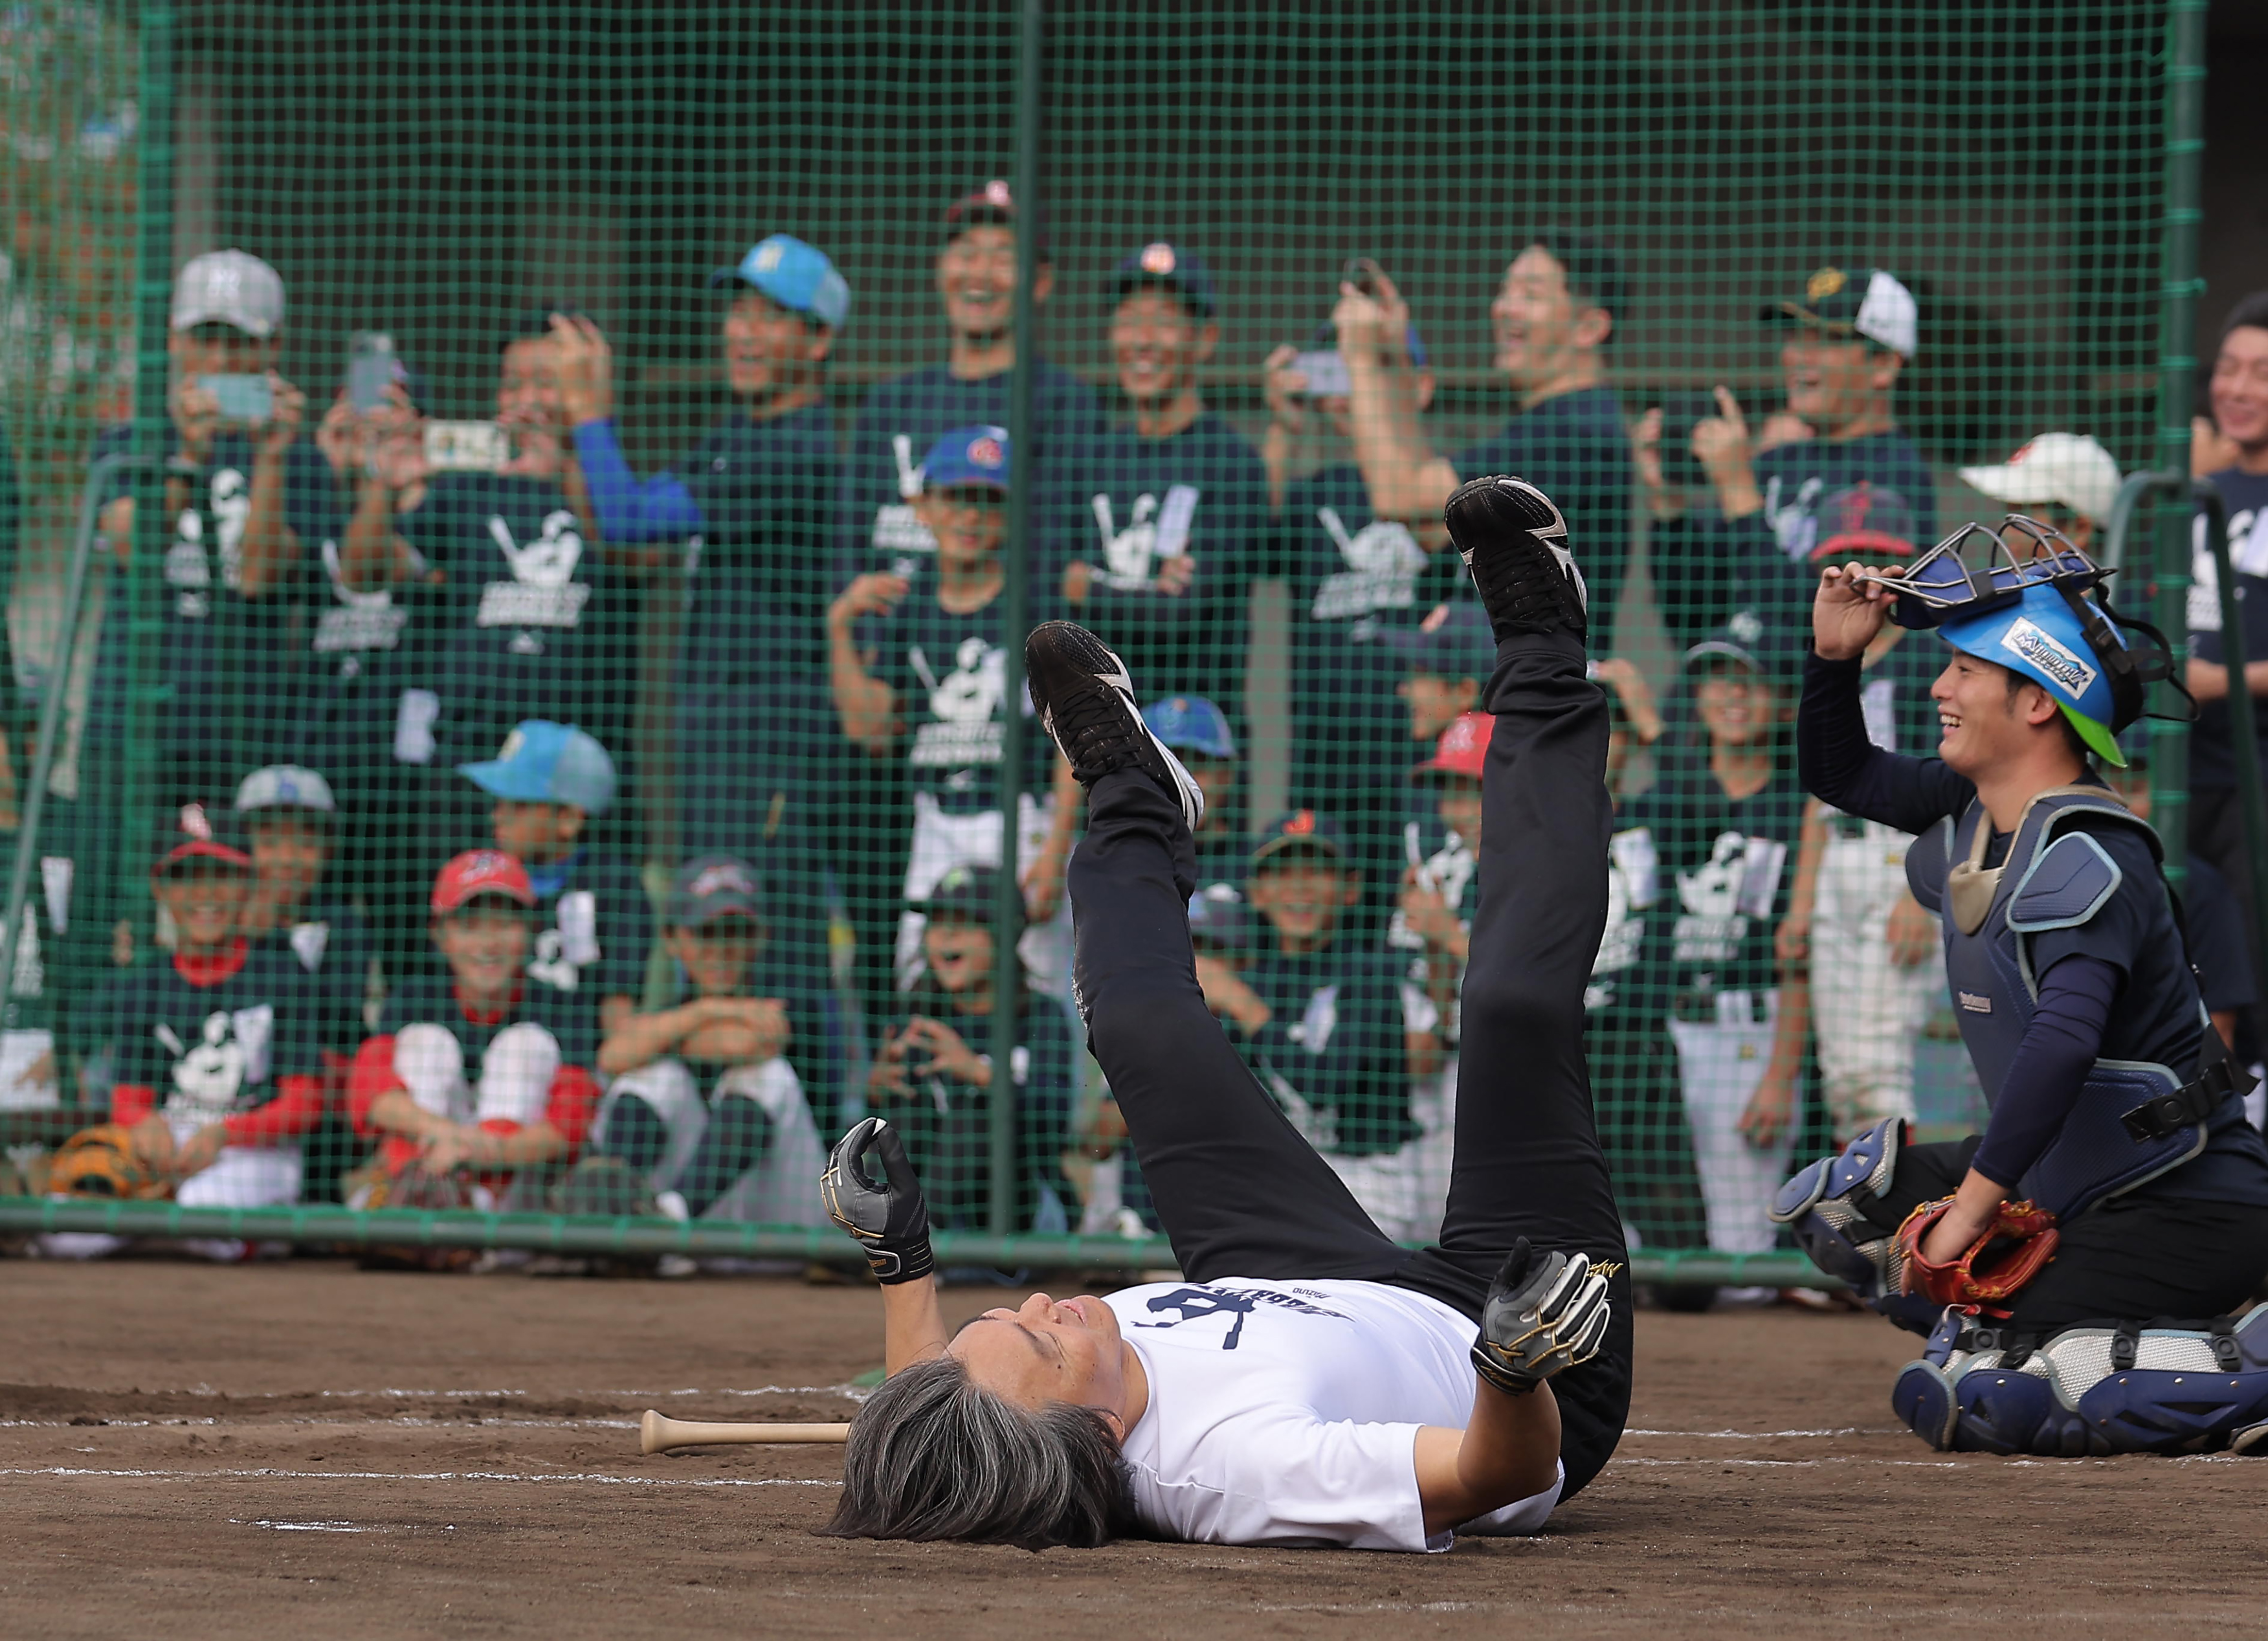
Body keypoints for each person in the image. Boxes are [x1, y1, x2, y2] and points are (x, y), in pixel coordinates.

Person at [820, 474, 1629, 1551]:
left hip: (1288, 1279)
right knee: (1512, 1003)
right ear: (1102, 1430)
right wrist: (1513, 1359)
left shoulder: (1043, 1386)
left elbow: (933, 1389)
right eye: (1045, 1345)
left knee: (1138, 1032)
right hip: (1503, 1355)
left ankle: (1135, 800)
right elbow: (1499, 1471)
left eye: (1001, 1315)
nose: (1039, 1307)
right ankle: (1541, 649)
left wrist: (903, 1262)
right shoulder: (1237, 1465)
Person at [1777, 524, 2268, 1455]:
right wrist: (1835, 659)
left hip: (2188, 1206)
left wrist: (1969, 1210)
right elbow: (1839, 772)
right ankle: (2046, 1322)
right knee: (1843, 1204)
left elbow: (2062, 1044)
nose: (1939, 689)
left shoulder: (2089, 849)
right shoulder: (1979, 813)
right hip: (2076, 1178)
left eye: (1965, 669)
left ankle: (2229, 1359)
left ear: (2039, 701)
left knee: (1998, 1387)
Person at [552, 237, 844, 864]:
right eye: (739, 312)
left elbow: (629, 520)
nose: (744, 332)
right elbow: (623, 530)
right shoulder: (737, 435)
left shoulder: (800, 449)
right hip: (711, 721)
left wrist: (587, 411)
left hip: (770, 729)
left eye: (770, 316)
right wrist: (568, 445)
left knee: (758, 925)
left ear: (818, 340)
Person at [827, 427, 1076, 999]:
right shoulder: (908, 609)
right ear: (922, 507)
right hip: (934, 821)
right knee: (919, 980)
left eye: (989, 501)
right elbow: (869, 729)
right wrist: (839, 628)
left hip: (1018, 820)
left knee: (1035, 987)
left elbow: (1072, 742)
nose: (970, 516)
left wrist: (1053, 853)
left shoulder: (1036, 609)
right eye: (956, 497)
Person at [90, 249, 333, 809]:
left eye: (241, 342)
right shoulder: (127, 443)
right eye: (204, 338)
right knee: (108, 890)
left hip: (244, 734)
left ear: (273, 348)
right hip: (128, 725)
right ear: (174, 340)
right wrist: (189, 450)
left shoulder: (302, 462)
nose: (220, 359)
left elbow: (257, 576)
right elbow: (135, 547)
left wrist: (272, 458)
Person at [1332, 234, 1633, 648]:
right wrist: (1394, 359)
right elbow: (1427, 526)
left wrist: (1361, 359)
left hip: (1544, 699)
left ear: (1589, 328)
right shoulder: (1554, 423)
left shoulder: (1573, 432)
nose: (1504, 307)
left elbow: (1399, 495)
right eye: (1505, 290)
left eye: (1531, 294)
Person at [65, 808, 327, 1254]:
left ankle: (227, 1237)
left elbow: (304, 1103)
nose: (205, 894)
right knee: (66, 1237)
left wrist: (226, 1133)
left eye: (220, 876)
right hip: (172, 1146)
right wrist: (145, 1125)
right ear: (161, 889)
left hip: (254, 1150)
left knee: (200, 1212)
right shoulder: (145, 983)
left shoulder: (285, 974)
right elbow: (129, 1098)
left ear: (247, 884)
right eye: (188, 878)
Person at [398, 309, 630, 807]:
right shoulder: (466, 490)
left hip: (577, 774)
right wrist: (384, 482)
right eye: (511, 386)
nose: (526, 401)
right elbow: (372, 568)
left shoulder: (614, 491)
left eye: (547, 383)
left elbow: (633, 551)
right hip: (467, 764)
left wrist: (564, 466)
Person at [1643, 265, 1932, 647]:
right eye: (1797, 337)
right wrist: (1670, 507)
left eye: (1826, 339)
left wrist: (1738, 492)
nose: (1798, 355)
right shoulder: (1774, 464)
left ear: (1883, 365)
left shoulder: (1896, 474)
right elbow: (1692, 622)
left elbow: (1826, 627)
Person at [1647, 609, 1812, 1276]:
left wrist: (1780, 1072)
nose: (1733, 695)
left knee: (1740, 1235)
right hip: (1661, 1033)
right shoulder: (1666, 799)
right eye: (1717, 679)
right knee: (1643, 1210)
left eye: (1750, 680)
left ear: (1779, 702)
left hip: (1750, 1029)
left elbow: (1802, 953)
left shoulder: (1801, 804)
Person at [1777, 487, 1942, 1147]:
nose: (1864, 569)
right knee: (1843, 1075)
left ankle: (1916, 1231)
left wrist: (1918, 889)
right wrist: (1799, 903)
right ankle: (1879, 1223)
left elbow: (1950, 789)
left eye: (1879, 555)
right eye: (1848, 556)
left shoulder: (1930, 657)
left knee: (1879, 1072)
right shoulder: (1827, 649)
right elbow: (1818, 798)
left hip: (1896, 861)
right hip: (1837, 860)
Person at [838, 182, 1103, 585]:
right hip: (886, 642)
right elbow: (848, 555)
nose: (979, 273)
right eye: (966, 252)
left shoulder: (1064, 405)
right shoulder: (890, 402)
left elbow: (1059, 561)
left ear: (1040, 282)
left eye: (1004, 257)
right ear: (941, 266)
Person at [1198, 809, 1443, 1240]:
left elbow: (1323, 1086)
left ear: (1350, 889)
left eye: (1317, 872)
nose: (1299, 887)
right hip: (1283, 1175)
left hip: (1370, 1179)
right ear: (1256, 892)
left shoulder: (1371, 976)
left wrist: (1243, 1005)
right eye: (1282, 873)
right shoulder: (1255, 981)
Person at [1047, 242, 1268, 711]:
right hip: (1094, 732)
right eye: (1128, 320)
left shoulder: (1231, 460)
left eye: (1164, 322)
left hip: (1195, 739)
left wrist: (1091, 587)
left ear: (1204, 338)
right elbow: (1050, 590)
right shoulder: (1088, 458)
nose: (1142, 341)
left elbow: (1184, 611)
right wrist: (1150, 589)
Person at [581, 853, 827, 1228]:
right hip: (702, 1219)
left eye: (735, 932)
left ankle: (671, 1216)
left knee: (765, 1073)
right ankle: (612, 1212)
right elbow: (613, 1055)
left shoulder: (793, 997)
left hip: (790, 1215)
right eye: (705, 932)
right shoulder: (684, 1012)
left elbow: (745, 1046)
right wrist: (706, 1011)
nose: (721, 949)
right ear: (672, 939)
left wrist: (661, 1036)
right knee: (653, 1075)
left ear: (760, 936)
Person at [347, 850, 600, 1211]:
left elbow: (570, 1123)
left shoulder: (560, 1008)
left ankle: (479, 1207)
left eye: (503, 924)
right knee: (426, 1041)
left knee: (524, 1043)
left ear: (529, 930)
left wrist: (479, 1152)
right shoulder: (414, 999)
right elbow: (369, 1092)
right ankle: (414, 1197)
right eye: (470, 926)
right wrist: (443, 1135)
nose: (488, 943)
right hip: (430, 1157)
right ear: (441, 935)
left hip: (515, 1184)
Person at [306, 353, 447, 980]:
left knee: (405, 940)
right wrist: (322, 464)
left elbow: (375, 560)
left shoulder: (443, 511)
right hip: (321, 762)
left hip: (404, 779)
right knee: (323, 942)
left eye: (386, 406)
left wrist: (388, 476)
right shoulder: (312, 505)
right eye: (357, 405)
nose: (371, 422)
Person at [862, 864, 1079, 1234]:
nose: (946, 935)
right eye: (937, 922)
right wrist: (876, 1092)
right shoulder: (918, 1012)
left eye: (965, 923)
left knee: (978, 1112)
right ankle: (899, 1238)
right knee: (905, 1114)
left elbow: (1054, 1125)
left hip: (1021, 1207)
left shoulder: (1040, 1014)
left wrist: (980, 1072)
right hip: (936, 1201)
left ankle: (910, 1244)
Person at [457, 721, 653, 1036]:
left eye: (518, 805)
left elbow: (619, 1011)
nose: (498, 816)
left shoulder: (615, 886)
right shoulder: (484, 880)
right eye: (499, 803)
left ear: (569, 819)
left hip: (580, 1063)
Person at [2184, 293, 2268, 993]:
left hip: (2256, 774)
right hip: (2185, 770)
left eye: (2261, 372)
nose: (2238, 389)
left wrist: (2227, 680)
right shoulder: (2201, 488)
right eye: (2230, 367)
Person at [1957, 432, 2122, 552]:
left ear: (2080, 529)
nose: (2004, 532)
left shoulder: (2116, 599)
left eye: (2021, 517)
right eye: (2008, 513)